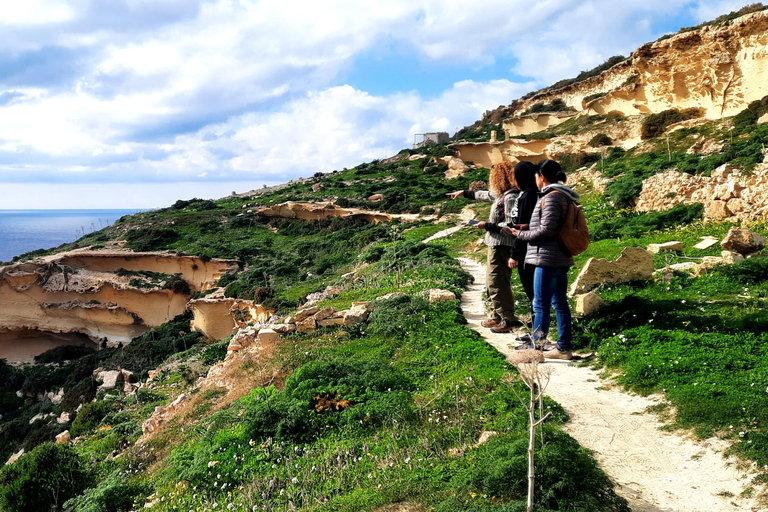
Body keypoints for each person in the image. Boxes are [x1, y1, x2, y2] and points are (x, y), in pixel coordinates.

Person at [509, 159, 577, 360]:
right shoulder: (562, 195)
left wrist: (521, 235)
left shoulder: (553, 197)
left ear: (542, 177)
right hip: (558, 256)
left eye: (536, 176)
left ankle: (536, 349)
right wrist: (526, 228)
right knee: (560, 302)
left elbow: (547, 230)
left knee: (541, 304)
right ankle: (563, 348)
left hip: (547, 258)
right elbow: (551, 227)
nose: (535, 179)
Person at [448, 162, 523, 333]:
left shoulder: (511, 197)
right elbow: (485, 195)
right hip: (495, 244)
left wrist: (487, 226)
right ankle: (497, 315)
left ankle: (508, 319)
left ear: (499, 177)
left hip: (502, 245)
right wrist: (464, 193)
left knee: (497, 281)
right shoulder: (502, 195)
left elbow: (512, 226)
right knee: (492, 282)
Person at [505, 161, 539, 339]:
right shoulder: (532, 194)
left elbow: (522, 230)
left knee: (533, 294)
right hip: (530, 250)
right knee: (535, 294)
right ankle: (536, 330)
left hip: (527, 253)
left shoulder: (527, 197)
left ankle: (537, 332)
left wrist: (514, 255)